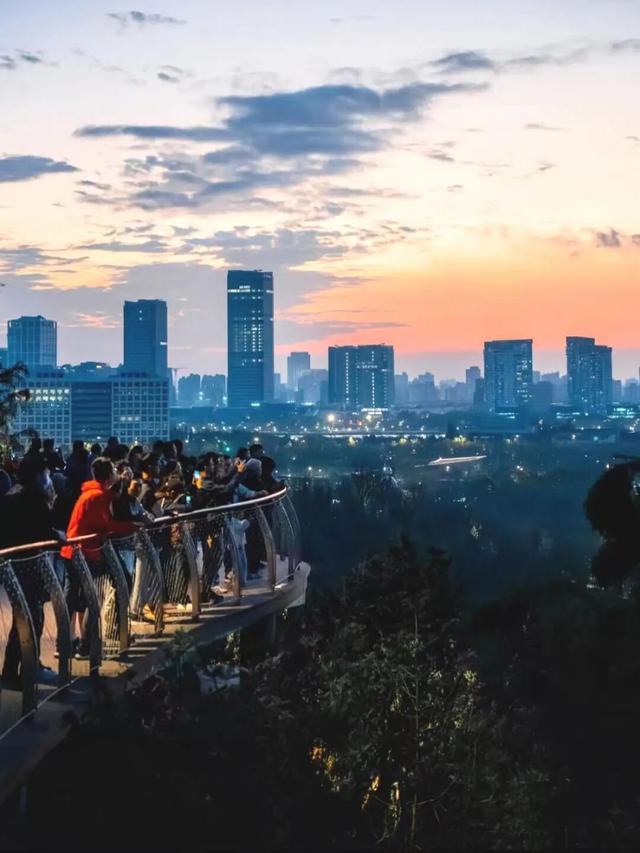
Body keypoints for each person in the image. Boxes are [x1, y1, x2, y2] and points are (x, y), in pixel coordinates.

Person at [60, 457, 139, 659]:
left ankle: (68, 644)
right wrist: (133, 526)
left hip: (75, 552)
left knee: (76, 597)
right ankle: (88, 647)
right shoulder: (96, 497)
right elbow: (105, 525)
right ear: (108, 476)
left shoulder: (91, 493)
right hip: (85, 553)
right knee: (91, 599)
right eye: (113, 469)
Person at [0, 458, 62, 688]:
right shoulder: (34, 499)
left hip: (12, 566)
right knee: (32, 617)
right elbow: (44, 529)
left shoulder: (11, 494)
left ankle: (12, 671)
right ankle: (28, 669)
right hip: (29, 565)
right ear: (37, 477)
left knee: (21, 619)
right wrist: (57, 535)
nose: (47, 480)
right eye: (45, 476)